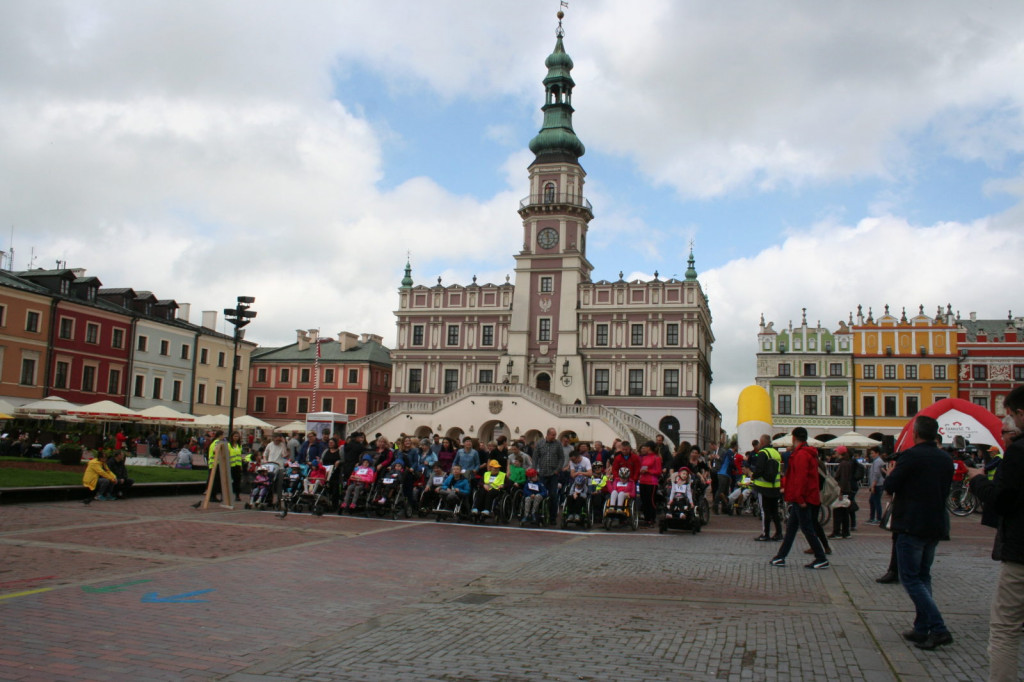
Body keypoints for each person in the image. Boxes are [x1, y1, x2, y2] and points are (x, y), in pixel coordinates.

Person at [884, 415, 954, 650]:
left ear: (915, 433)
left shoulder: (911, 456)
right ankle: (922, 628)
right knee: (924, 577)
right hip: (935, 524)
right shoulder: (945, 459)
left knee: (910, 579)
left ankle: (939, 628)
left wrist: (891, 472)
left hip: (911, 523)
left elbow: (890, 487)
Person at [969, 387, 1024, 680]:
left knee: (1005, 628)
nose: (1006, 422)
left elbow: (1003, 500)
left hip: (1020, 554)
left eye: (1010, 415)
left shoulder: (1018, 451)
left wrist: (977, 481)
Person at [770, 427, 829, 569]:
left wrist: (800, 498)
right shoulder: (807, 453)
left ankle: (821, 557)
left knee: (806, 528)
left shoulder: (801, 455)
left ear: (794, 438)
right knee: (792, 528)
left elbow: (800, 479)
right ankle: (780, 556)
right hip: (804, 496)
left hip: (803, 498)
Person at [751, 434, 783, 541]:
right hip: (775, 486)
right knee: (774, 511)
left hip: (763, 486)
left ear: (763, 442)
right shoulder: (776, 453)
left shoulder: (763, 453)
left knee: (765, 511)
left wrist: (753, 475)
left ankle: (766, 533)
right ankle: (779, 533)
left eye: (760, 442)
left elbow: (759, 469)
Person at [534, 428, 565, 523]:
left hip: (553, 474)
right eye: (553, 435)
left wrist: (557, 470)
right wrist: (534, 470)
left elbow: (561, 458)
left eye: (555, 435)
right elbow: (535, 458)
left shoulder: (558, 444)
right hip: (542, 473)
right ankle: (538, 515)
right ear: (547, 434)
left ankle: (552, 517)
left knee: (553, 495)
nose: (554, 437)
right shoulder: (540, 443)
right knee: (540, 494)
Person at [829, 445, 854, 539]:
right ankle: (845, 532)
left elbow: (843, 478)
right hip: (846, 489)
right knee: (844, 512)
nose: (835, 453)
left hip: (842, 490)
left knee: (838, 511)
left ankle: (837, 532)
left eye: (836, 451)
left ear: (840, 453)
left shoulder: (843, 464)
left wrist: (840, 491)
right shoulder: (846, 463)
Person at [638, 441, 662, 526]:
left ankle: (652, 518)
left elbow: (658, 471)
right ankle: (646, 518)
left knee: (650, 501)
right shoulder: (645, 457)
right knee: (644, 501)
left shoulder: (656, 458)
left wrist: (648, 471)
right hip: (643, 480)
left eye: (646, 447)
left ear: (649, 448)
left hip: (652, 482)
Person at [714, 442, 735, 515]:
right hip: (724, 473)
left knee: (725, 491)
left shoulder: (728, 452)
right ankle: (716, 506)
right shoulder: (730, 453)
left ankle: (724, 508)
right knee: (720, 491)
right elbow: (732, 463)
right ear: (735, 447)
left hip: (725, 474)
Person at [866, 447, 885, 524]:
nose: (871, 455)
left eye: (873, 453)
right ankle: (873, 517)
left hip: (877, 484)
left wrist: (873, 485)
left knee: (876, 501)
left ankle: (878, 518)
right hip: (877, 484)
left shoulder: (877, 461)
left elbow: (876, 474)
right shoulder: (877, 461)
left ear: (877, 453)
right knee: (873, 501)